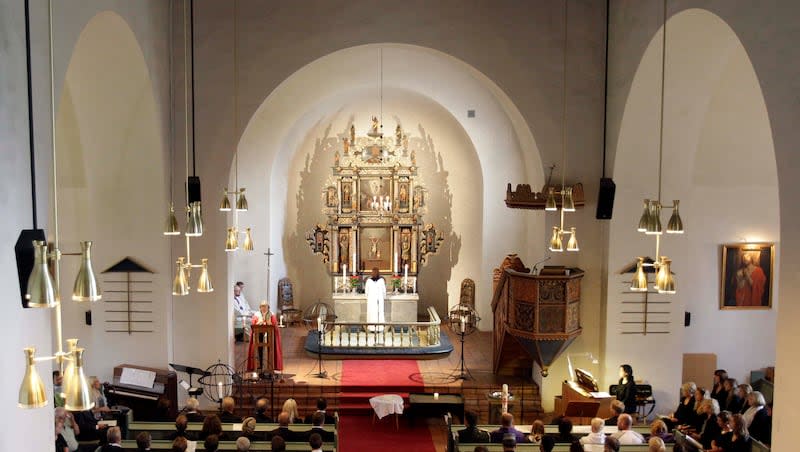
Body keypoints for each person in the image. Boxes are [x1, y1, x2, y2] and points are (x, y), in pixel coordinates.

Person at [247, 301, 284, 372]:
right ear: (260, 308)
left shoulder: (271, 315)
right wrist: (258, 323)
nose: (264, 308)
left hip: (270, 335)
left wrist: (269, 323)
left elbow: (275, 326)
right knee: (258, 348)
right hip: (258, 335)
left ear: (268, 307)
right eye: (262, 306)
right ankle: (258, 366)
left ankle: (269, 366)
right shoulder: (256, 315)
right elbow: (253, 325)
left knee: (270, 348)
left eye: (265, 306)